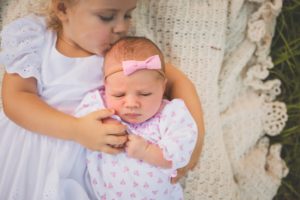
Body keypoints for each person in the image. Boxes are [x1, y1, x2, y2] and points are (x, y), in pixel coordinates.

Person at [0, 0, 204, 199]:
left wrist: (195, 141)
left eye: (128, 14)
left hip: (89, 168)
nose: (122, 27)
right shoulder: (37, 39)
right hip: (34, 151)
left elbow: (179, 82)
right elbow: (16, 99)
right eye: (107, 16)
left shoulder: (121, 55)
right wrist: (76, 130)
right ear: (63, 8)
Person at [74, 36, 198, 200]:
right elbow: (82, 121)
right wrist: (106, 124)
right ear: (106, 87)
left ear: (162, 87)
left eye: (145, 94)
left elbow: (179, 155)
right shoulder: (99, 103)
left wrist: (147, 152)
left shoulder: (171, 114)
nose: (131, 104)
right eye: (119, 95)